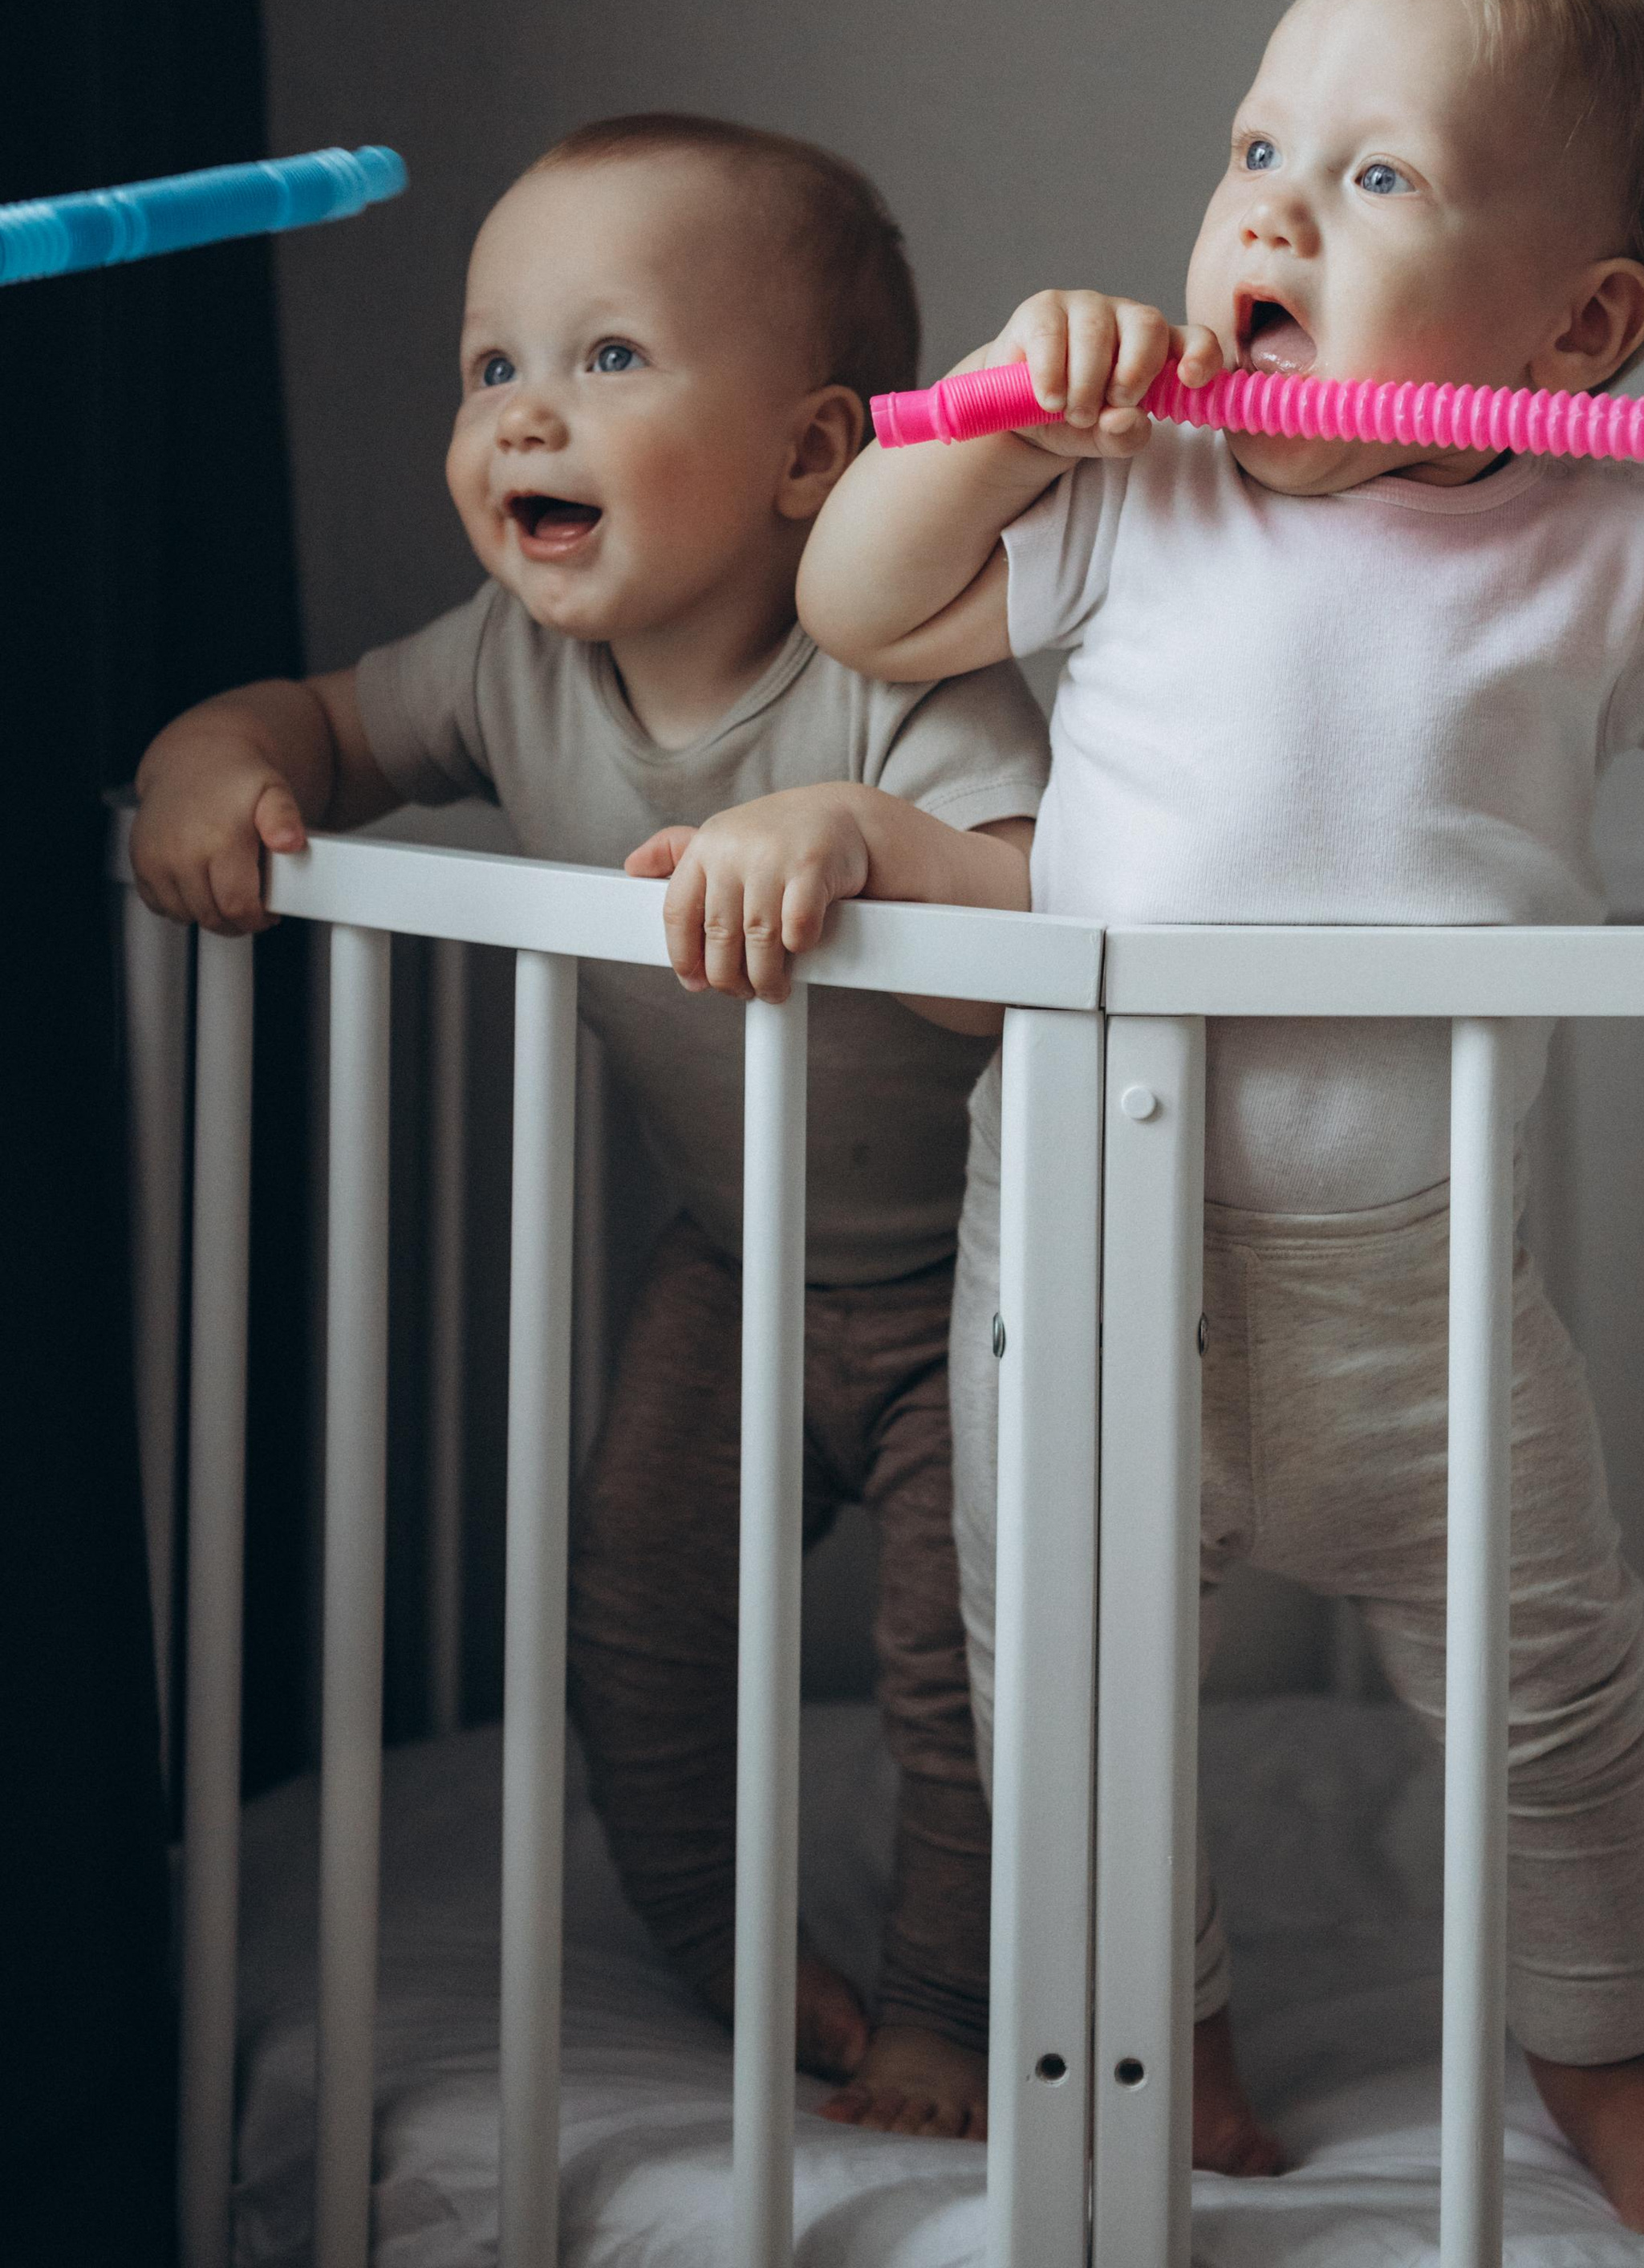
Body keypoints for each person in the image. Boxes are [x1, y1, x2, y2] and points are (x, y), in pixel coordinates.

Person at [795, 0, 1644, 2244]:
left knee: (1562, 1697)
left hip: (1424, 1281)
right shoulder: (1130, 483)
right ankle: (1159, 2028)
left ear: (1581, 334)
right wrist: (985, 407)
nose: (1267, 214)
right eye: (1258, 150)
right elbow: (868, 606)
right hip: (1084, 1245)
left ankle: (1604, 2040)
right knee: (1076, 1691)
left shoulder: (1605, 553)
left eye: (1373, 179)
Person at [130, 112, 1050, 2140]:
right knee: (636, 1648)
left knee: (965, 1688)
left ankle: (951, 2011)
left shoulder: (904, 672)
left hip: (986, 1294)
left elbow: (1030, 942)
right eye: (490, 368)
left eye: (607, 360)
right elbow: (314, 726)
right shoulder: (502, 672)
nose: (521, 416)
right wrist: (212, 759)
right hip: (726, 1272)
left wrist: (845, 837)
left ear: (817, 454)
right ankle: (736, 1959)